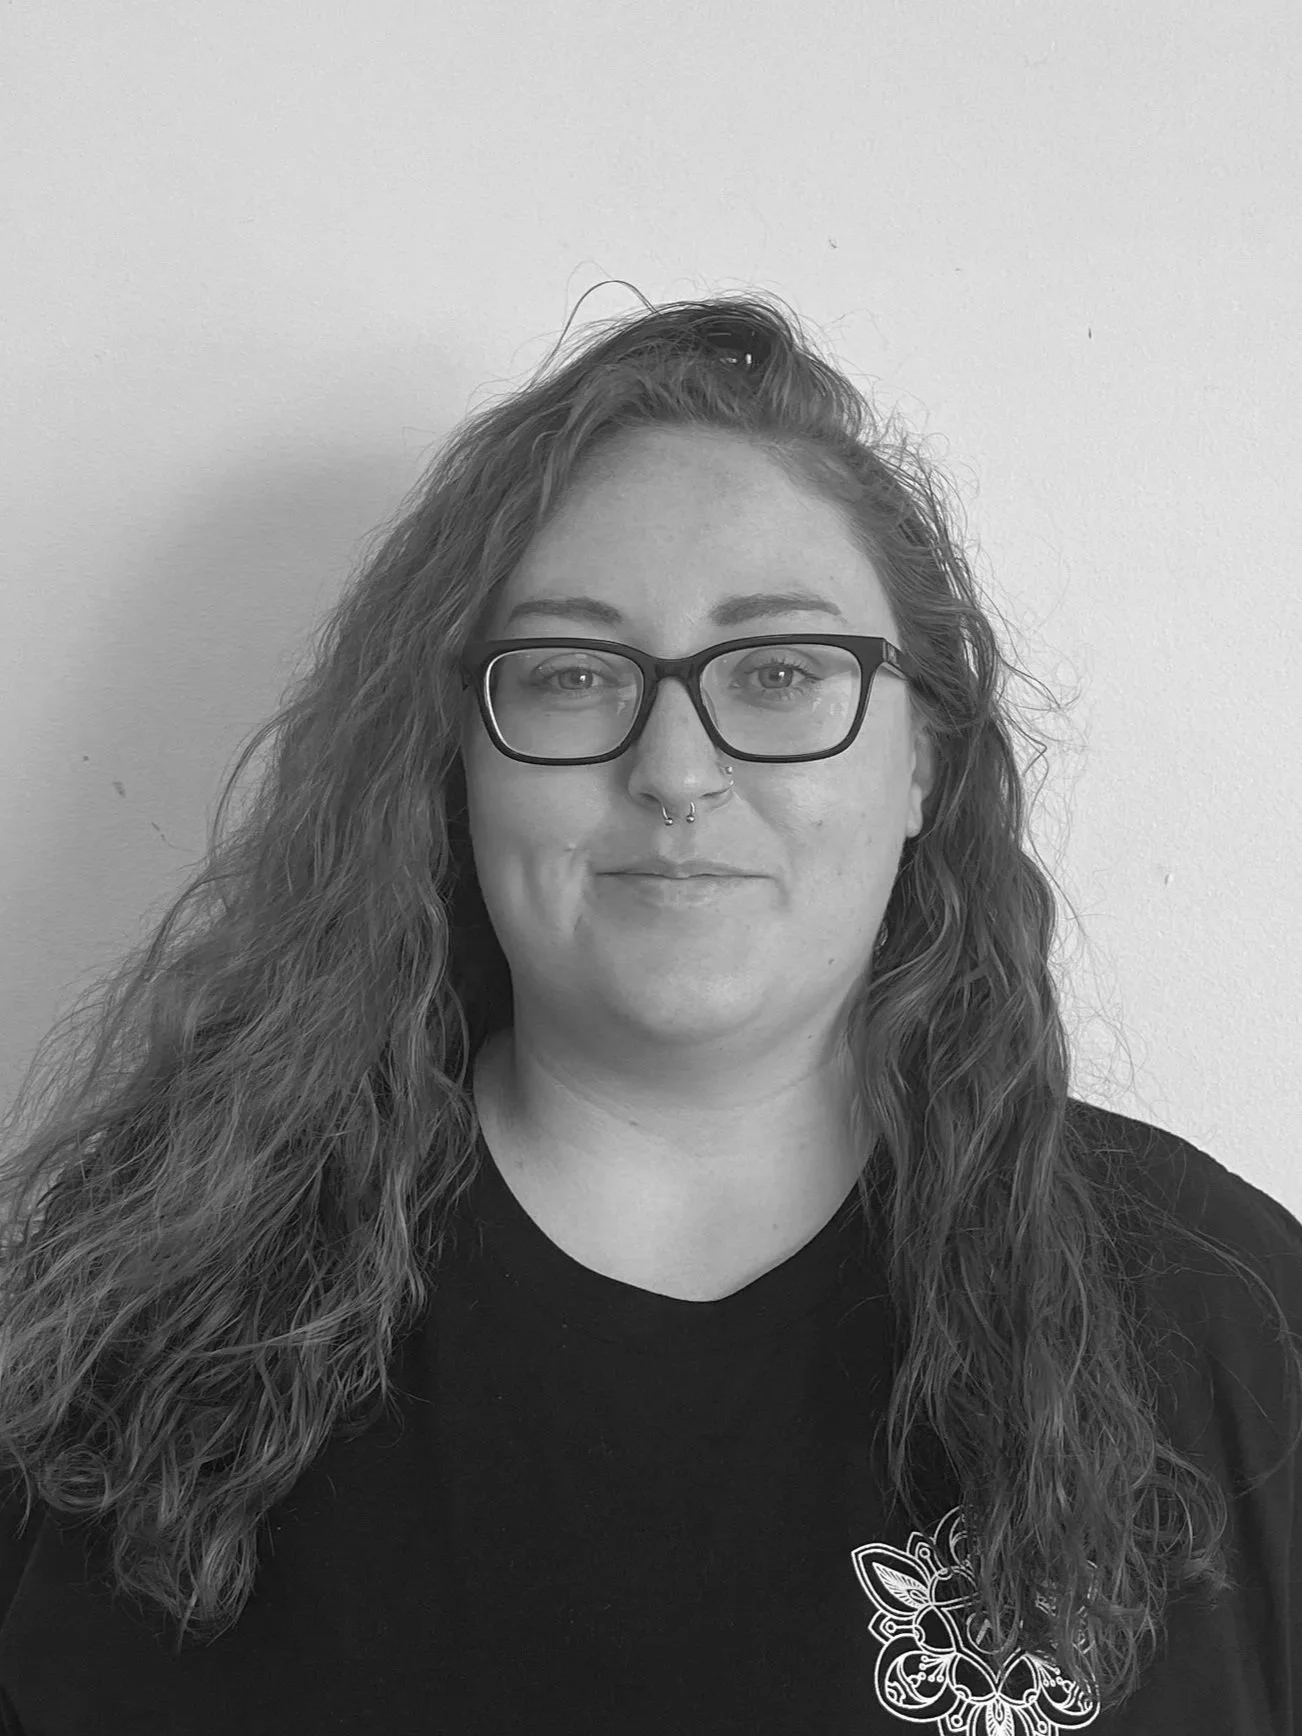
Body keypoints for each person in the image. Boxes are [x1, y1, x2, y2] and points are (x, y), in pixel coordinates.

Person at [0, 288, 1299, 1734]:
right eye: (569, 675)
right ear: (454, 766)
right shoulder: (130, 1332)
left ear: (923, 759)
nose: (675, 768)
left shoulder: (1224, 1319)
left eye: (782, 670)